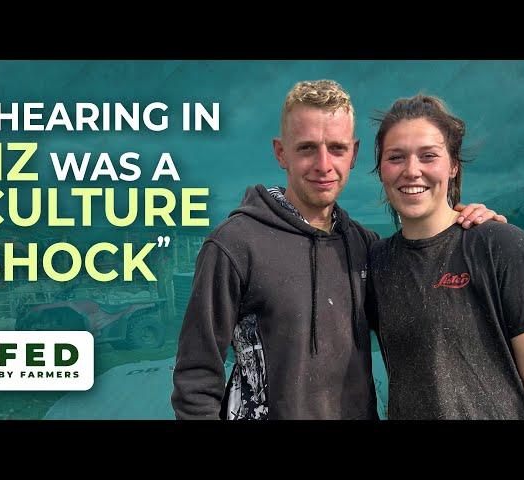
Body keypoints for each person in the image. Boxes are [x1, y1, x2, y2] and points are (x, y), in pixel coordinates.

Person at [171, 80, 503, 420]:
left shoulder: (366, 248)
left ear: (354, 153)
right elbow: (196, 380)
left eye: (337, 148)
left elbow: (429, 308)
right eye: (306, 148)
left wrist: (471, 231)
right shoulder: (234, 245)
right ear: (281, 152)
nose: (324, 164)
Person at [368, 94, 524, 419]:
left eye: (428, 155)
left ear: (453, 164)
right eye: (396, 157)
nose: (412, 170)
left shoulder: (502, 246)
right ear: (381, 170)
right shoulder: (377, 263)